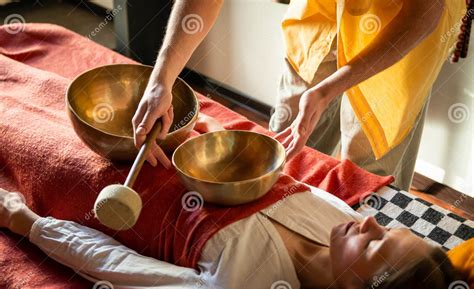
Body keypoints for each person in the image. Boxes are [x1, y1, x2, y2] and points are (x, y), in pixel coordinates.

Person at [132, 0, 464, 190]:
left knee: (366, 181)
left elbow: (425, 12)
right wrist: (162, 78)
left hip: (401, 24)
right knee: (282, 156)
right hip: (321, 14)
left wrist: (329, 89)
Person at [0, 187, 463, 289]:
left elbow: (116, 265)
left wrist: (26, 221)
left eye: (371, 248)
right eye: (383, 227)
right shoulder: (338, 218)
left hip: (107, 196)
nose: (364, 223)